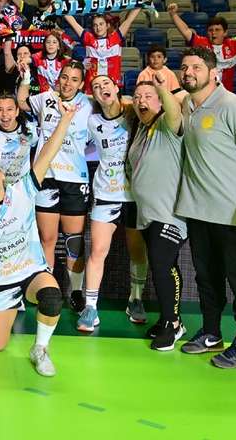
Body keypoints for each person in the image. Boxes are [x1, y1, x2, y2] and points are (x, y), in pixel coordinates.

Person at [0, 100, 78, 376]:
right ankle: (9, 307)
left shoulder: (23, 190)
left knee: (51, 296)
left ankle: (40, 348)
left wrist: (66, 120)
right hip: (1, 281)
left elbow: (48, 153)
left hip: (31, 271)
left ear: (1, 175)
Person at [175, 47, 236, 368]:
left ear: (213, 72)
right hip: (199, 212)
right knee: (207, 277)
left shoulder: (232, 107)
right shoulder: (186, 104)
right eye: (184, 67)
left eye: (196, 67)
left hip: (234, 214)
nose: (189, 72)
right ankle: (212, 332)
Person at [16, 61, 92, 312]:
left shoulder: (89, 104)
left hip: (75, 179)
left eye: (73, 79)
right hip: (45, 176)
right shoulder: (45, 98)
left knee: (73, 243)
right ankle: (47, 293)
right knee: (46, 239)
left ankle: (77, 293)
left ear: (81, 83)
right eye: (64, 77)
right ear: (57, 77)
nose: (67, 83)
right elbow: (21, 101)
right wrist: (26, 77)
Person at [78, 76, 148, 332]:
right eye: (96, 87)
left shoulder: (133, 113)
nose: (102, 88)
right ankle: (91, 307)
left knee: (138, 251)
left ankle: (136, 299)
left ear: (117, 88)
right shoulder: (92, 121)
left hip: (135, 195)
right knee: (98, 251)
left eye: (106, 84)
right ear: (93, 96)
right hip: (106, 194)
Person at [128, 78, 190, 350]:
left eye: (148, 96)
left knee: (163, 265)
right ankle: (167, 318)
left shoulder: (167, 124)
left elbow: (175, 110)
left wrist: (162, 87)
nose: (142, 101)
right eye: (137, 96)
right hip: (147, 214)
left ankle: (173, 324)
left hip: (169, 212)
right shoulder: (142, 129)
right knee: (161, 265)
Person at [168, 4, 236, 92]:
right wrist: (173, 15)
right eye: (210, 30)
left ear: (225, 32)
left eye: (217, 30)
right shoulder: (200, 42)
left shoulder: (234, 44)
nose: (213, 33)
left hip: (226, 94)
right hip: (203, 93)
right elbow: (186, 30)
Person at [64, 8, 143, 88]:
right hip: (91, 86)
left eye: (101, 24)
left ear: (107, 25)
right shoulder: (88, 38)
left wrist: (142, 1)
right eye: (95, 25)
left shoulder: (116, 37)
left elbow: (129, 20)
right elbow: (73, 23)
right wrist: (60, 7)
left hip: (113, 86)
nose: (98, 28)